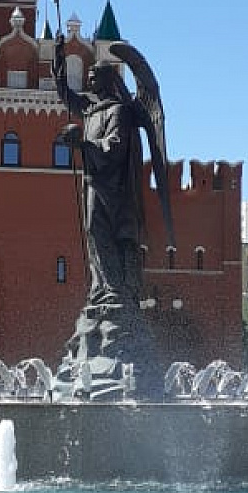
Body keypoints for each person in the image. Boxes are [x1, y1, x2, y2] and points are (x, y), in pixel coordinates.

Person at [53, 39, 173, 388]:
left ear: (107, 81)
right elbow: (66, 96)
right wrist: (58, 60)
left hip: (115, 193)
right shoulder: (91, 110)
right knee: (93, 233)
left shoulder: (118, 111)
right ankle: (103, 288)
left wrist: (82, 143)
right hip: (94, 185)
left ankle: (115, 291)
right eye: (88, 77)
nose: (88, 81)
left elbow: (115, 148)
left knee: (106, 234)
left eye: (93, 77)